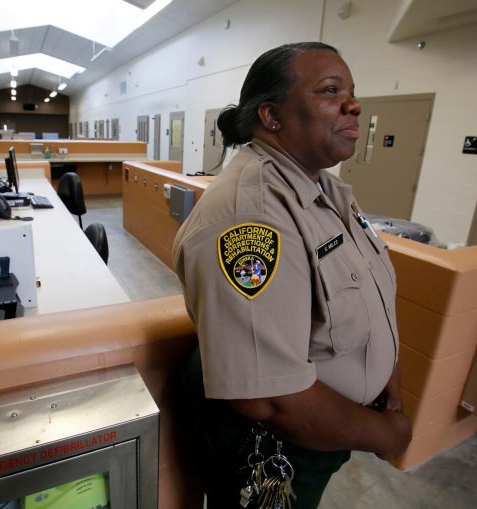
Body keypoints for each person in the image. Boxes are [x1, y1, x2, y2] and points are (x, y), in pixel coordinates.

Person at [173, 42, 412, 508]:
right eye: (329, 90)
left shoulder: (324, 189)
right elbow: (270, 400)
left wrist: (389, 382)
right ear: (272, 116)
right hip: (273, 448)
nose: (354, 104)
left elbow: (372, 297)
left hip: (324, 432)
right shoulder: (252, 217)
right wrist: (386, 433)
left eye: (351, 91)